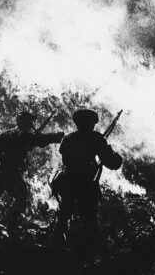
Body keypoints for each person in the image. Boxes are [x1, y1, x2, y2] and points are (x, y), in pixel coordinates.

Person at [0, 111, 64, 233]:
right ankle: (11, 226)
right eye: (30, 122)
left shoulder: (7, 133)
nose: (32, 124)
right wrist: (57, 136)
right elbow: (41, 141)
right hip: (10, 172)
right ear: (25, 122)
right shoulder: (25, 135)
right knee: (22, 197)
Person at [52, 109, 123, 257]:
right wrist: (113, 154)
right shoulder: (96, 138)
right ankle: (89, 256)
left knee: (63, 218)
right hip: (85, 185)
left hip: (68, 183)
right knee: (89, 222)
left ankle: (55, 249)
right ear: (91, 124)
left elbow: (63, 156)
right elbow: (112, 163)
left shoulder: (69, 138)